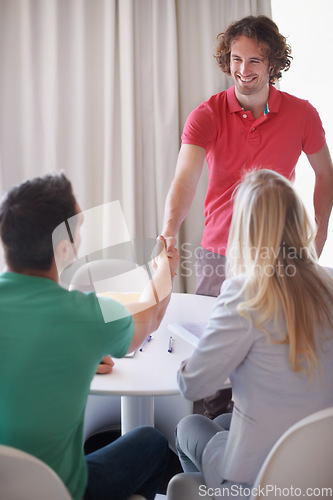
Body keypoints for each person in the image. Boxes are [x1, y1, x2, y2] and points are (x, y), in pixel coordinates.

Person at [0, 173, 179, 500]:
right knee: (152, 443)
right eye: (79, 228)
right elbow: (148, 320)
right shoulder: (83, 315)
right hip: (60, 491)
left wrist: (78, 355)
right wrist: (163, 269)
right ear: (64, 248)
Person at [175, 169, 333, 497]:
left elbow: (193, 385)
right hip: (320, 470)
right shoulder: (328, 284)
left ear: (247, 231)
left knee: (188, 426)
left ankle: (216, 494)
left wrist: (205, 352)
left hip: (260, 479)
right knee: (221, 426)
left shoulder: (247, 293)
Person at [162, 15, 333, 297]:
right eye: (236, 59)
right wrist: (169, 230)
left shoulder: (303, 115)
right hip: (219, 256)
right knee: (213, 338)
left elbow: (325, 173)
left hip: (279, 254)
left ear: (273, 63)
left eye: (254, 60)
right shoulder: (206, 115)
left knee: (277, 339)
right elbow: (185, 180)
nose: (243, 69)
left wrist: (321, 231)